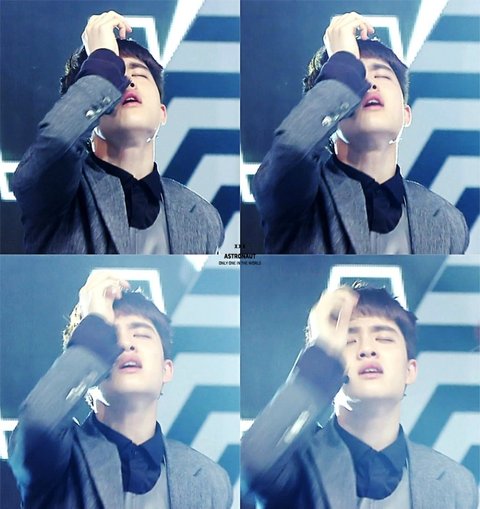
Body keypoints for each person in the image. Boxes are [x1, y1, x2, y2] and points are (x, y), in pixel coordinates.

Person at [9, 271, 232, 508]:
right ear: (88, 370)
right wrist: (95, 324)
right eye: (111, 339)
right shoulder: (57, 459)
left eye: (141, 334)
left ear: (166, 370)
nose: (126, 344)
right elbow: (38, 421)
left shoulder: (211, 481)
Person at [242, 284, 478, 508]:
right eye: (350, 340)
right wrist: (323, 349)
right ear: (329, 364)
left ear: (410, 370)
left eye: (384, 339)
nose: (367, 349)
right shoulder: (293, 461)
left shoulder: (456, 485)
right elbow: (251, 459)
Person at [253, 12, 469, 254]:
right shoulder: (295, 197)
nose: (370, 84)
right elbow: (292, 148)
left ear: (406, 113)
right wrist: (343, 62)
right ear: (332, 109)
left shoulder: (449, 222)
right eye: (356, 79)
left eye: (382, 75)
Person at [12, 11, 224, 254]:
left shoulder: (204, 217)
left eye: (139, 74)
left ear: (162, 113)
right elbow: (57, 141)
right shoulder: (54, 191)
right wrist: (102, 60)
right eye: (114, 78)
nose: (128, 82)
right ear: (90, 105)